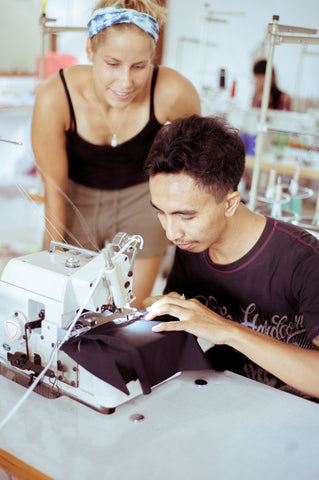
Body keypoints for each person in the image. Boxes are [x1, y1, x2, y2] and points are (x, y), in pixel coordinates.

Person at [31, 0, 201, 309]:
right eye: (112, 64)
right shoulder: (55, 96)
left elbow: (196, 172)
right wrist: (51, 273)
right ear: (90, 50)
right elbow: (54, 192)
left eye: (139, 66)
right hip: (74, 196)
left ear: (152, 57)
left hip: (142, 197)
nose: (126, 82)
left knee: (129, 310)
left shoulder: (173, 92)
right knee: (70, 305)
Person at [143, 114, 319, 402]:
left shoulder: (304, 261)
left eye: (185, 215)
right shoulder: (192, 246)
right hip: (223, 403)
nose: (172, 232)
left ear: (230, 204)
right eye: (160, 212)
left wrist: (228, 331)